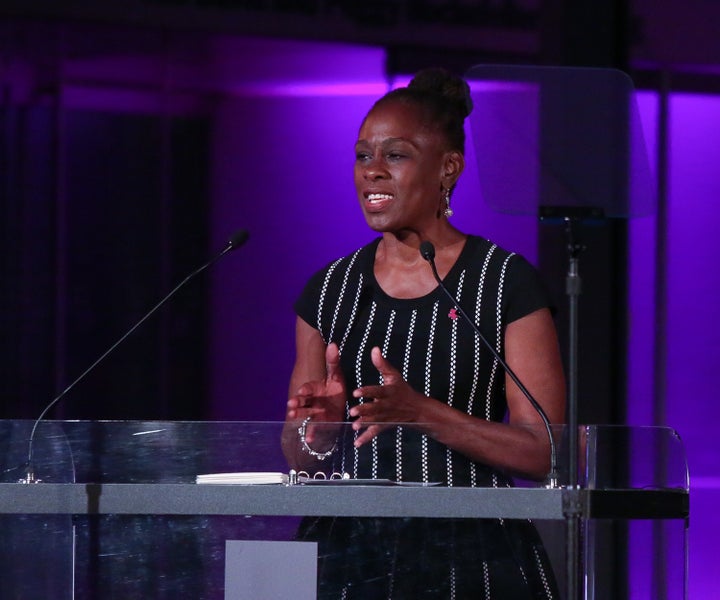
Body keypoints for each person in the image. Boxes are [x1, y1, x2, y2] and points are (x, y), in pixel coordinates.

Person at [282, 67, 566, 599]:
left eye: (395, 155)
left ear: (448, 169)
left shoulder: (503, 281)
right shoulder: (328, 290)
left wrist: (422, 413)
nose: (372, 172)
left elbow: (545, 451)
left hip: (475, 560)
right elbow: (297, 457)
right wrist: (316, 436)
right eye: (363, 155)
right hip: (351, 562)